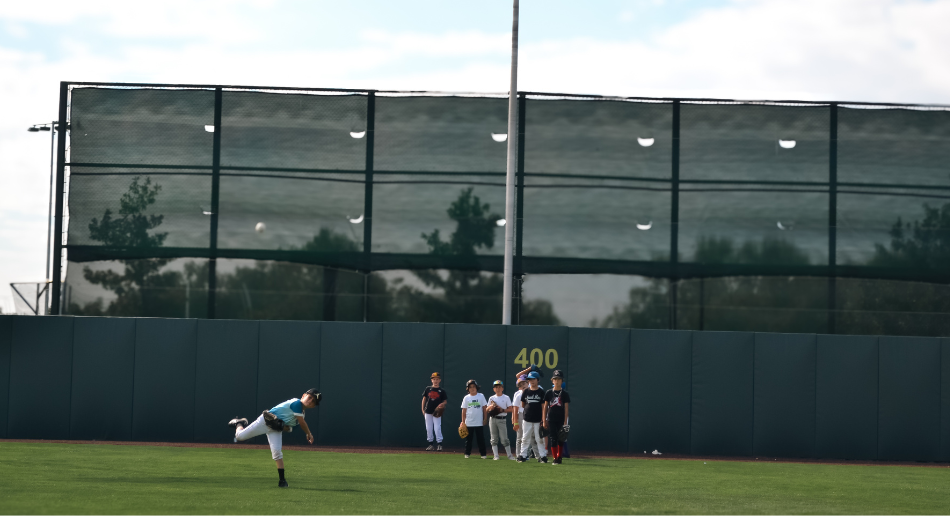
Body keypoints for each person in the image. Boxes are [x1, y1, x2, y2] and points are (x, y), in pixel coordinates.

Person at [228, 388, 322, 488]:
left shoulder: (301, 415)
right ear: (303, 396)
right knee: (239, 437)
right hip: (265, 422)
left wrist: (282, 427)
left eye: (313, 401)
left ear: (313, 406)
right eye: (310, 397)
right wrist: (309, 434)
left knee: (277, 452)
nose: (310, 401)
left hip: (275, 429)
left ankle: (282, 480)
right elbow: (302, 423)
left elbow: (291, 428)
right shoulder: (296, 403)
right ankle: (239, 423)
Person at [517, 371, 547, 463]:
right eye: (530, 379)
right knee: (525, 437)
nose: (532, 381)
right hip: (527, 418)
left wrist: (543, 419)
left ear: (538, 380)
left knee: (539, 438)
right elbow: (523, 404)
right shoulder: (526, 391)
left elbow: (543, 407)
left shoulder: (541, 392)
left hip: (538, 419)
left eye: (533, 379)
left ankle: (542, 456)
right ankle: (523, 455)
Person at [543, 369, 571, 465]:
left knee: (561, 438)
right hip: (551, 418)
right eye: (555, 379)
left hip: (561, 419)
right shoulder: (548, 393)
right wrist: (544, 420)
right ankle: (555, 458)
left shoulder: (565, 394)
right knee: (553, 438)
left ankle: (560, 457)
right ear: (552, 380)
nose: (557, 381)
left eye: (559, 379)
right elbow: (545, 407)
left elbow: (566, 409)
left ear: (562, 381)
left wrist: (565, 422)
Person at [486, 380, 516, 460]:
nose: (498, 389)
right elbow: (487, 409)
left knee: (504, 439)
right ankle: (496, 455)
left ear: (502, 388)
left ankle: (509, 455)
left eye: (499, 387)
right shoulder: (492, 398)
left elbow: (511, 409)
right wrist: (491, 407)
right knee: (493, 439)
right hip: (492, 419)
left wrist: (502, 410)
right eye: (496, 387)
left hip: (502, 419)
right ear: (494, 389)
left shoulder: (506, 397)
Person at [460, 379, 488, 458]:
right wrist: (463, 422)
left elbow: (484, 408)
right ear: (468, 389)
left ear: (476, 388)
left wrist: (485, 419)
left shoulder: (481, 396)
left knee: (480, 439)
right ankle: (467, 453)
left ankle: (483, 454)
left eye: (474, 387)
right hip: (469, 422)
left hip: (479, 422)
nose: (472, 388)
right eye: (470, 387)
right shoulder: (466, 398)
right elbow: (464, 410)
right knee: (469, 439)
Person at [421, 372, 448, 451]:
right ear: (431, 380)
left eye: (437, 379)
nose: (435, 381)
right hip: (428, 411)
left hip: (437, 412)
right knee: (428, 428)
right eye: (434, 379)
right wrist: (423, 409)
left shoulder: (441, 391)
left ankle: (439, 444)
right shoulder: (428, 389)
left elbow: (445, 401)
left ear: (440, 380)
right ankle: (430, 444)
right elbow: (424, 399)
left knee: (437, 428)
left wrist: (442, 404)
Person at [510, 375, 528, 458]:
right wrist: (514, 420)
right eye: (520, 385)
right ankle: (518, 455)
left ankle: (526, 454)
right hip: (520, 414)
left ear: (528, 383)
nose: (522, 386)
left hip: (529, 415)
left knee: (528, 436)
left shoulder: (532, 392)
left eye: (524, 383)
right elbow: (515, 408)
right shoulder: (517, 394)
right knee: (520, 436)